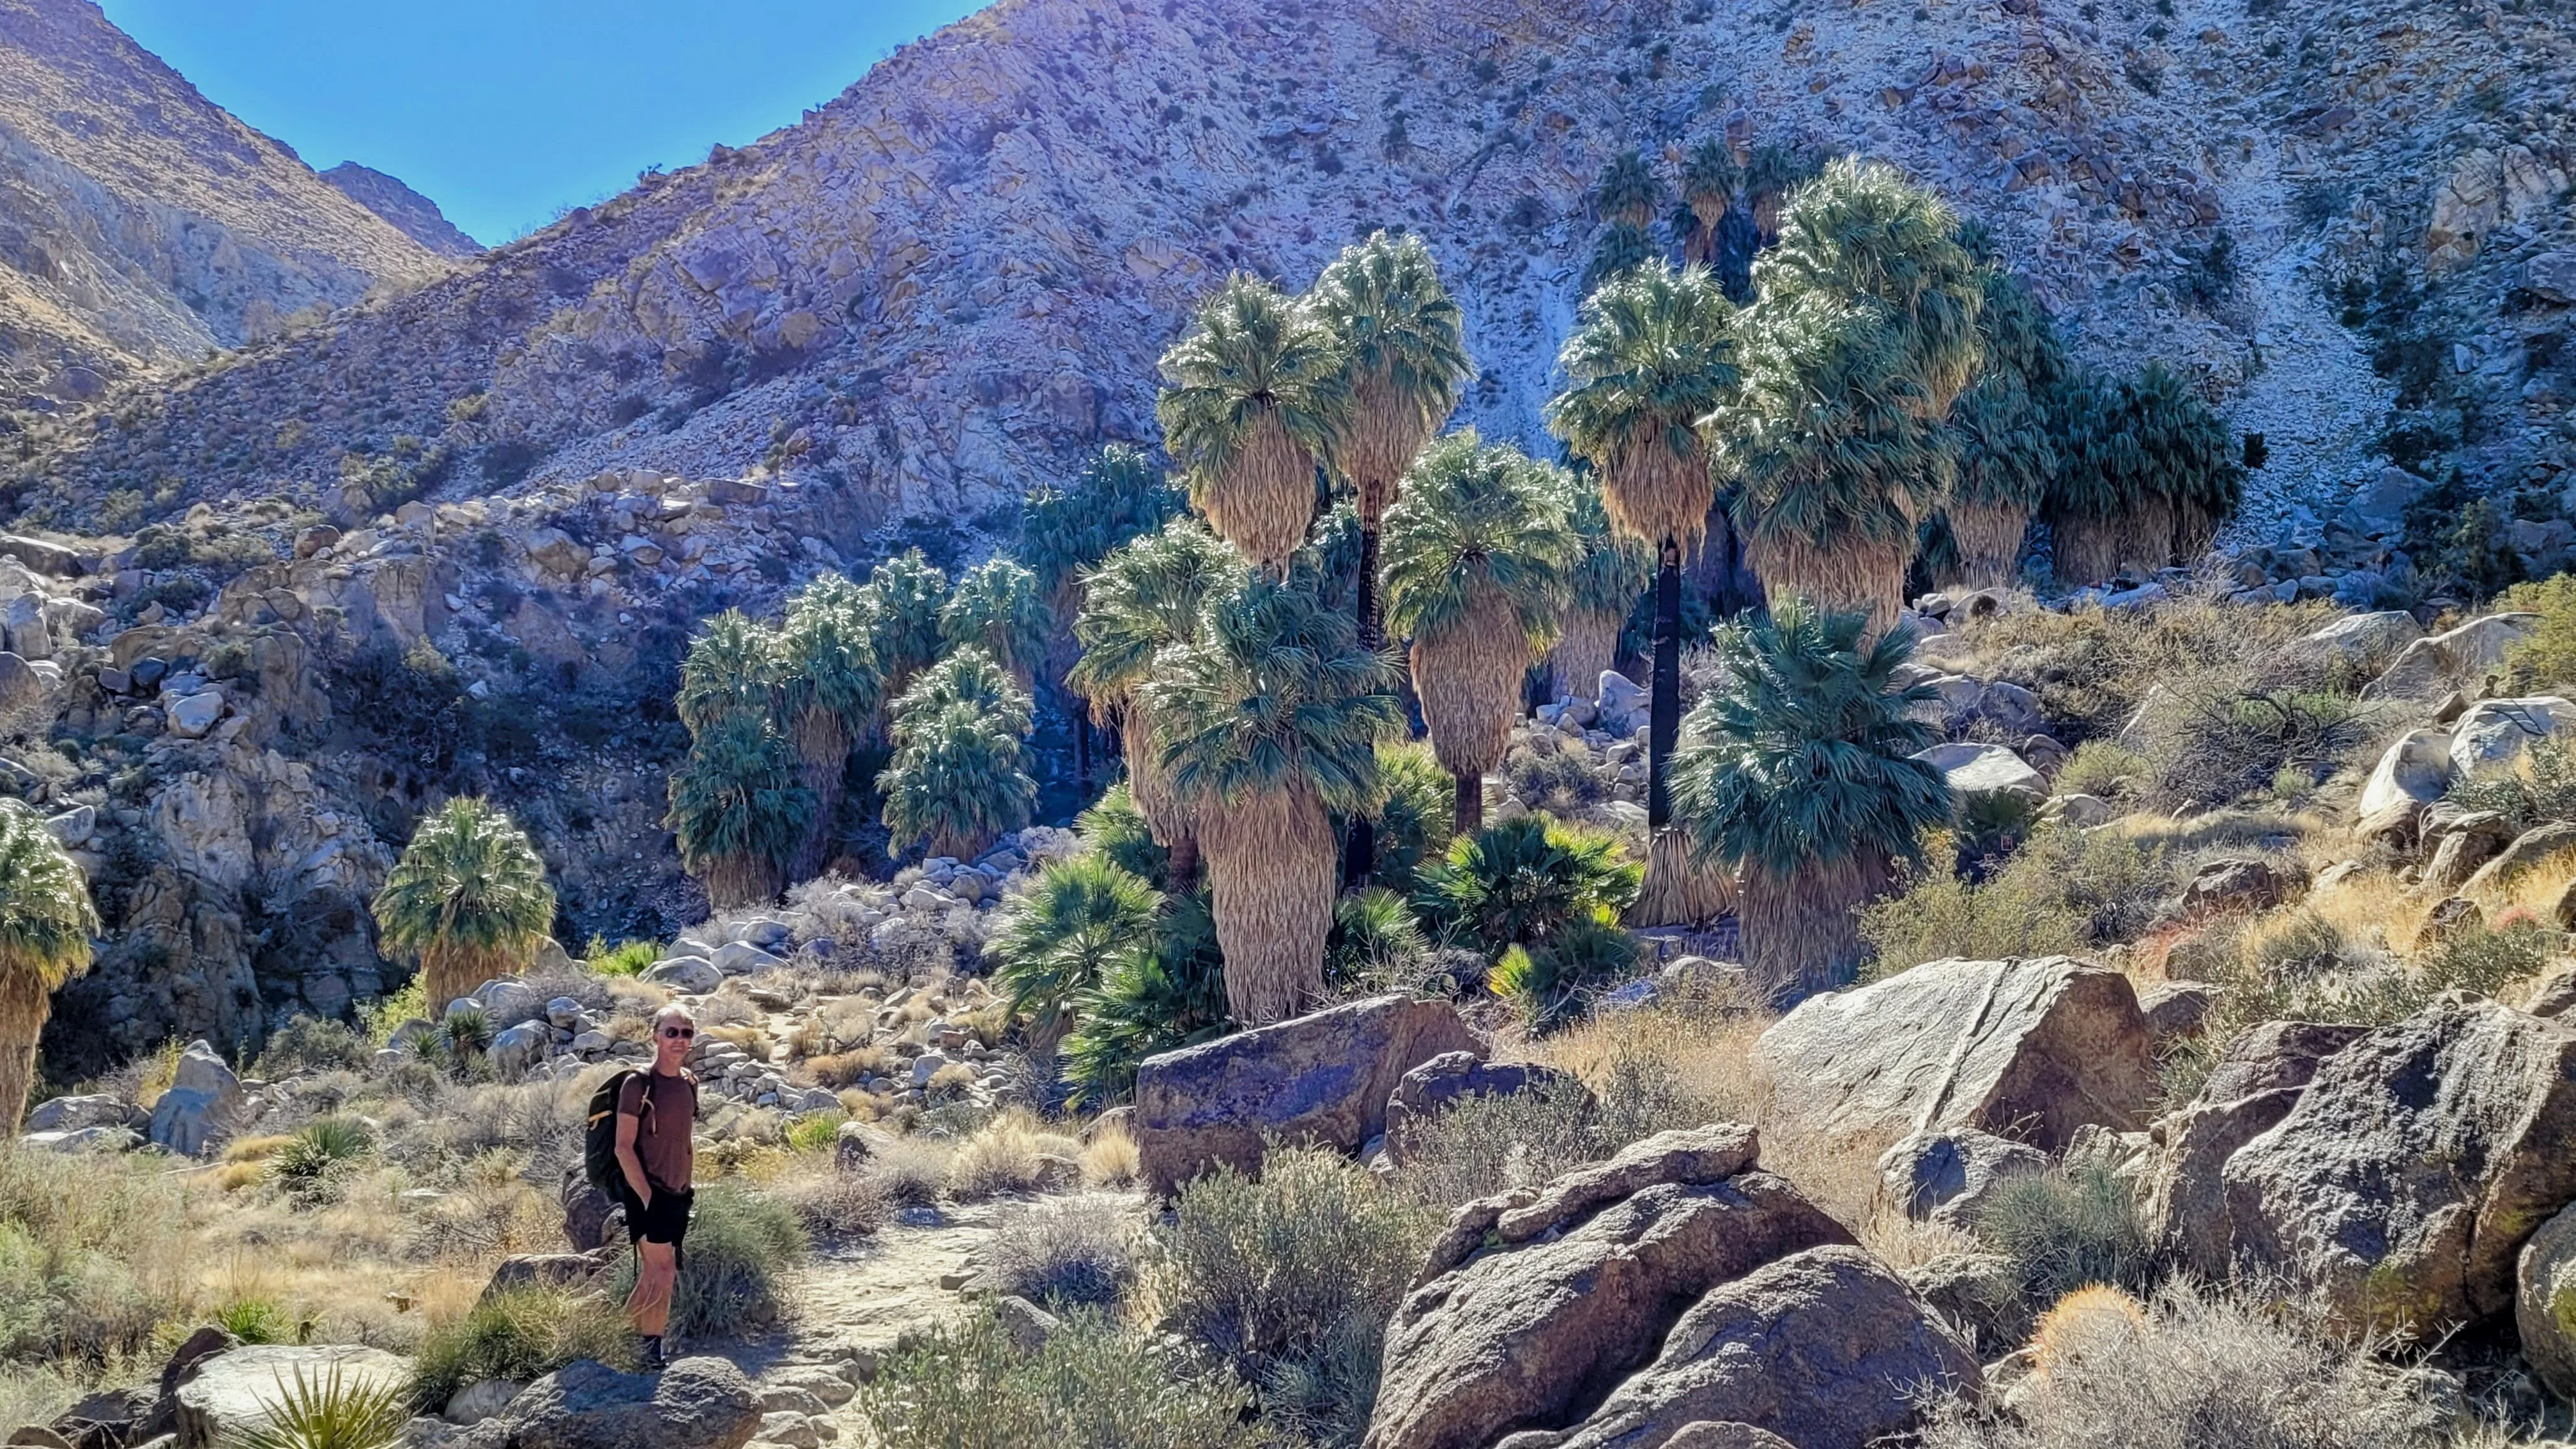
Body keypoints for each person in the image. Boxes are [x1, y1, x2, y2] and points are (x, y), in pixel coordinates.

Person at [615, 1002, 699, 1370]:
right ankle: (651, 1352)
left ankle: (614, 1337)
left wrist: (685, 1186)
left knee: (654, 1271)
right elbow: (622, 1146)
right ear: (656, 1036)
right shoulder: (638, 1084)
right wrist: (648, 1199)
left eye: (686, 1033)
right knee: (664, 1271)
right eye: (671, 1032)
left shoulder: (690, 1083)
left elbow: (683, 1138)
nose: (679, 1040)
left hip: (678, 1193)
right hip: (648, 1192)